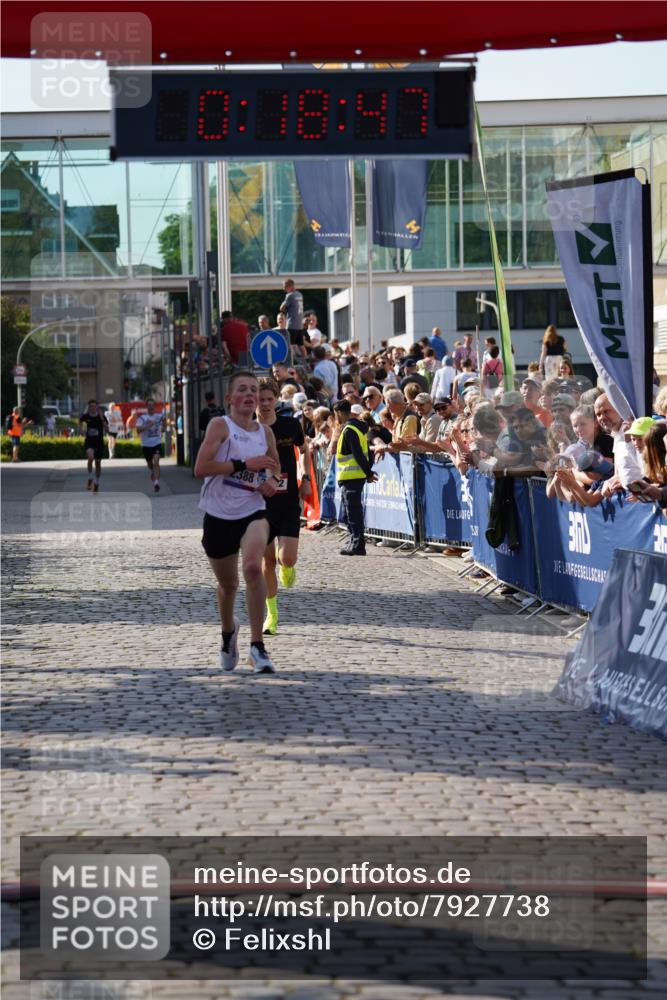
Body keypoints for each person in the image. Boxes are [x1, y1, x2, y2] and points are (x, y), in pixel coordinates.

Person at [195, 371, 281, 673]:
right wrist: (244, 465)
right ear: (230, 398)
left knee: (253, 568)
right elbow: (201, 468)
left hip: (252, 511)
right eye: (242, 389)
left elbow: (275, 470)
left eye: (253, 390)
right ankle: (228, 632)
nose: (249, 394)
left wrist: (272, 481)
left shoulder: (265, 433)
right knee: (228, 585)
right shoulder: (220, 426)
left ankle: (257, 647)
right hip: (218, 515)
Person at [256, 379, 312, 635]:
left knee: (285, 557)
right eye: (261, 399)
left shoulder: (289, 424)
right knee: (267, 560)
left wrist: (306, 478)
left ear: (277, 399)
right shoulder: (247, 429)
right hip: (259, 503)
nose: (265, 404)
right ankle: (272, 614)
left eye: (270, 399)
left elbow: (305, 449)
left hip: (288, 499)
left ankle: (288, 567)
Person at [334, 399, 378, 555]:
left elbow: (359, 454)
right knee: (349, 513)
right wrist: (368, 472)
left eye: (336, 414)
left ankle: (357, 545)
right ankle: (354, 541)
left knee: (353, 513)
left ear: (339, 413)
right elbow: (366, 452)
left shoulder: (349, 430)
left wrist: (368, 473)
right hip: (353, 476)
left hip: (352, 476)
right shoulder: (357, 429)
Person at [136, 401, 166, 494]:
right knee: (150, 465)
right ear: (147, 407)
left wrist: (164, 426)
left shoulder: (159, 416)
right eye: (149, 405)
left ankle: (156, 483)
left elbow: (164, 428)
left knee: (156, 461)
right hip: (146, 445)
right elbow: (138, 430)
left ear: (154, 406)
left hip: (157, 442)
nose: (151, 407)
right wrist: (148, 425)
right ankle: (154, 473)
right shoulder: (142, 418)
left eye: (152, 405)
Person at [79, 399, 108, 492]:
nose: (92, 408)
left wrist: (102, 419)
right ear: (89, 407)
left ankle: (96, 482)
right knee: (90, 457)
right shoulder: (86, 416)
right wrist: (81, 430)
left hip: (99, 442)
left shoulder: (101, 416)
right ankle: (90, 477)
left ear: (97, 407)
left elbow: (107, 429)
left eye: (94, 406)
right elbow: (80, 421)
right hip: (89, 441)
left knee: (98, 463)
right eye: (90, 406)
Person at [279, 278, 305, 358]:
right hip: (299, 325)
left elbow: (282, 308)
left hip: (292, 324)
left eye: (284, 286)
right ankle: (306, 361)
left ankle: (291, 362)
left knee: (290, 344)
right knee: (301, 345)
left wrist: (285, 307)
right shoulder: (299, 294)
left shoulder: (290, 295)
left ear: (289, 286)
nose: (283, 289)